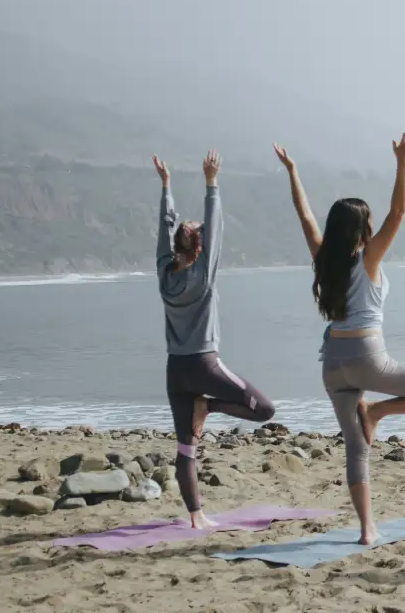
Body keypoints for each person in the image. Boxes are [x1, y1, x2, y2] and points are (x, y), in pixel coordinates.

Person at [273, 132, 405, 546]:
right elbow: (400, 211)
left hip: (332, 366)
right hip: (367, 358)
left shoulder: (324, 259)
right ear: (363, 228)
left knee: (355, 450)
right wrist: (403, 161)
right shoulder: (368, 258)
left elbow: (304, 217)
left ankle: (366, 529)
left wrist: (293, 172)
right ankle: (377, 411)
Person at [154, 150, 276, 529]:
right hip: (205, 366)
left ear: (176, 247)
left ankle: (196, 516)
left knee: (185, 448)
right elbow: (215, 224)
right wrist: (212, 182)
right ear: (201, 249)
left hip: (176, 370)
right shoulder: (203, 275)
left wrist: (167, 186)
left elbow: (164, 226)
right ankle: (209, 408)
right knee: (264, 410)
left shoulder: (163, 272)